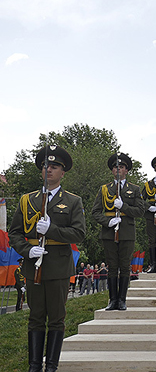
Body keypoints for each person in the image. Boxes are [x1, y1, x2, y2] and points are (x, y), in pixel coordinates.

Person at [8, 145, 86, 372]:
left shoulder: (72, 201)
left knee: (56, 319)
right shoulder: (27, 200)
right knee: (35, 317)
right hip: (33, 266)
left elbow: (79, 233)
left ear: (63, 172)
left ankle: (51, 365)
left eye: (54, 166)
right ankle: (34, 366)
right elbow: (15, 233)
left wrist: (51, 229)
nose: (48, 170)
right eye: (45, 166)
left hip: (58, 267)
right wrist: (26, 250)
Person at [92, 153, 145, 311]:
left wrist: (124, 207)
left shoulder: (134, 189)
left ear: (126, 170)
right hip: (109, 232)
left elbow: (140, 211)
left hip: (127, 232)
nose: (118, 170)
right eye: (115, 167)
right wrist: (108, 222)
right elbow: (95, 212)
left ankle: (122, 299)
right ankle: (112, 299)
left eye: (121, 167)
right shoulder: (104, 189)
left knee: (125, 266)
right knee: (112, 266)